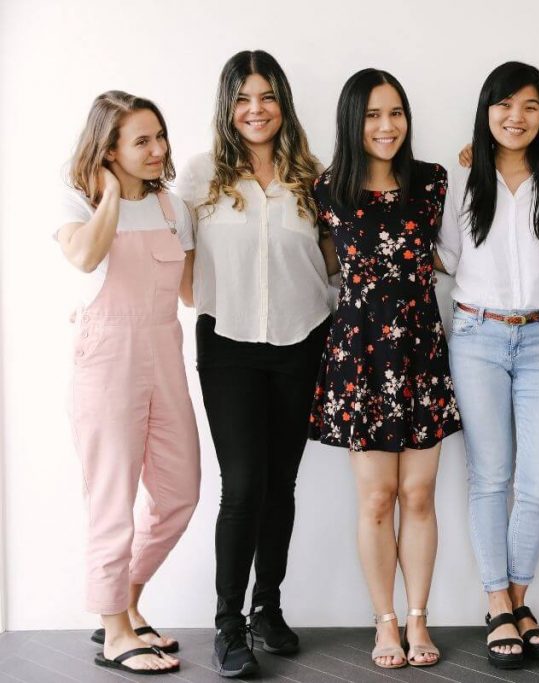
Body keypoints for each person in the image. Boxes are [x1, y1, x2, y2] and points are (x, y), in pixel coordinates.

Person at [177, 50, 338, 678]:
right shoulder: (199, 177)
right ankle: (228, 624)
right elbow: (186, 278)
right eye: (243, 98)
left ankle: (268, 607)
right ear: (228, 106)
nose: (256, 110)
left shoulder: (313, 177)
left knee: (281, 486)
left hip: (302, 342)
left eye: (267, 97)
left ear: (283, 103)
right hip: (230, 343)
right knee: (243, 486)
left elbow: (333, 258)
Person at [308, 68, 461, 669]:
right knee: (376, 498)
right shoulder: (326, 190)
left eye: (395, 112)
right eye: (372, 115)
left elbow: (454, 253)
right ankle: (386, 624)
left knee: (418, 495)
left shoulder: (434, 181)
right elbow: (318, 266)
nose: (386, 125)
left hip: (419, 347)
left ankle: (420, 619)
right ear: (352, 121)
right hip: (360, 352)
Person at [434, 61, 539, 669]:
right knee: (490, 476)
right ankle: (498, 600)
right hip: (477, 335)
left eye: (529, 106)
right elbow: (446, 254)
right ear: (486, 108)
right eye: (503, 105)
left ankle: (516, 600)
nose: (515, 118)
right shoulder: (461, 178)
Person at [57, 90, 200, 675]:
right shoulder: (76, 201)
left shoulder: (174, 208)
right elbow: (87, 259)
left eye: (159, 137)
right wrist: (111, 196)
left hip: (164, 353)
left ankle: (127, 604)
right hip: (108, 357)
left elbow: (193, 293)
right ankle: (114, 630)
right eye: (141, 140)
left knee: (179, 493)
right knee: (112, 498)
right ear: (108, 149)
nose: (157, 149)